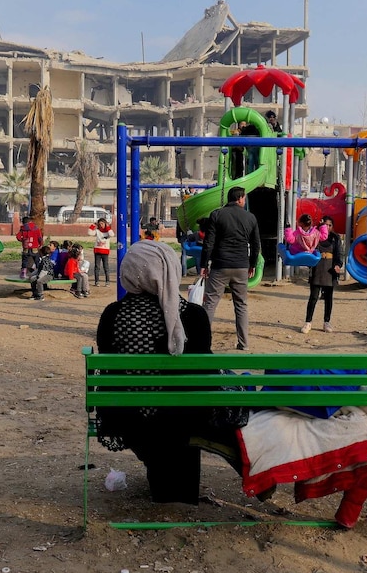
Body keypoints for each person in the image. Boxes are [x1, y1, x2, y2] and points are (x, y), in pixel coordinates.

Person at [95, 240, 247, 504]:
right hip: (186, 416)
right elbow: (204, 371)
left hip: (127, 417)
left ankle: (163, 482)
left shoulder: (113, 315)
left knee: (163, 407)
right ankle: (182, 489)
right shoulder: (193, 316)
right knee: (220, 386)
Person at [200, 186, 261, 351]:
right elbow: (256, 245)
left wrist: (204, 265)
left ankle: (202, 342)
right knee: (241, 304)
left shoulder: (217, 214)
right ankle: (244, 343)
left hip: (220, 266)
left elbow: (209, 243)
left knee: (210, 303)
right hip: (241, 266)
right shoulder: (250, 217)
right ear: (240, 198)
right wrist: (252, 264)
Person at [301, 216, 342, 334]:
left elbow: (339, 254)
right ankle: (308, 322)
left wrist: (338, 265)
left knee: (328, 298)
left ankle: (326, 322)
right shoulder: (315, 235)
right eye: (325, 224)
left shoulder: (335, 238)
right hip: (317, 268)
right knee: (313, 297)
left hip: (330, 269)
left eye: (330, 225)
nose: (327, 227)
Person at [88, 217, 114, 287]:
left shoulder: (108, 231)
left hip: (105, 251)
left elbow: (112, 234)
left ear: (105, 223)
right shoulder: (97, 231)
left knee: (106, 267)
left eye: (102, 224)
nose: (101, 225)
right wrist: (94, 224)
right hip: (97, 250)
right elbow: (90, 233)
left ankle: (107, 281)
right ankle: (97, 281)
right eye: (99, 224)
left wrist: (108, 227)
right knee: (97, 266)